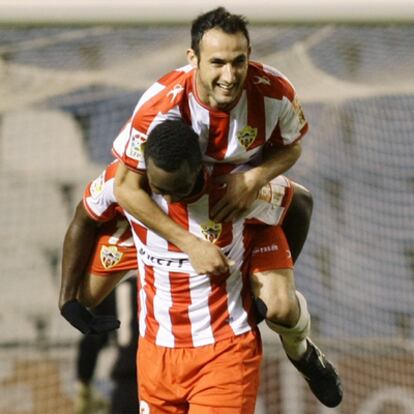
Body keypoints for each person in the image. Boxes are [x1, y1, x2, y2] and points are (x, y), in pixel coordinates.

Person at [112, 7, 342, 408]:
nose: (230, 75)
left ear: (250, 54)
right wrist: (188, 242)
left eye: (239, 61)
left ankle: (302, 351)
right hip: (195, 219)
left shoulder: (273, 91)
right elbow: (125, 188)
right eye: (217, 62)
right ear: (193, 60)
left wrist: (254, 178)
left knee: (282, 306)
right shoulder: (161, 108)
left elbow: (292, 151)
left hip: (247, 204)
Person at [59, 170, 139, 414]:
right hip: (139, 381)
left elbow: (93, 337)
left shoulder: (120, 286)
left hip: (133, 380)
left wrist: (83, 384)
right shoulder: (121, 284)